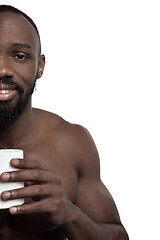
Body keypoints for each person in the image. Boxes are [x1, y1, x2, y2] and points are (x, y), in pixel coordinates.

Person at [0, 4, 129, 240]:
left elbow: (119, 236)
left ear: (39, 66)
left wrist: (69, 214)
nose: (3, 69)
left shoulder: (70, 142)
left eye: (19, 56)